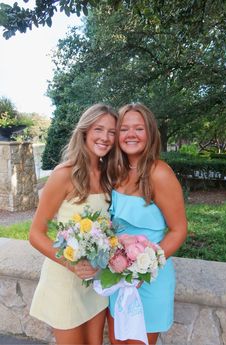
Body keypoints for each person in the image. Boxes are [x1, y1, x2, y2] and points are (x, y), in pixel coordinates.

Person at [29, 103, 118, 345]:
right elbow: (35, 234)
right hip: (66, 281)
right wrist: (72, 264)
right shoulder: (63, 174)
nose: (106, 137)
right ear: (85, 131)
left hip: (96, 280)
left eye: (112, 132)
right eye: (99, 129)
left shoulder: (110, 175)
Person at [107, 103, 187, 345]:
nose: (131, 134)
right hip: (118, 277)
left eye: (139, 128)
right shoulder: (116, 171)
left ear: (150, 133)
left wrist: (143, 267)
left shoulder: (159, 173)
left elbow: (179, 230)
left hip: (149, 278)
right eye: (124, 129)